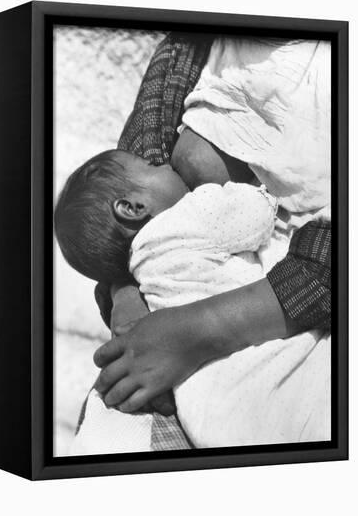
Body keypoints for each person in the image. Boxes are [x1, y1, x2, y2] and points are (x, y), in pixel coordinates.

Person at [91, 33, 331, 450]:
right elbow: (134, 169)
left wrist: (200, 330)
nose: (160, 160)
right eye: (155, 163)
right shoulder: (190, 45)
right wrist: (127, 298)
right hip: (203, 372)